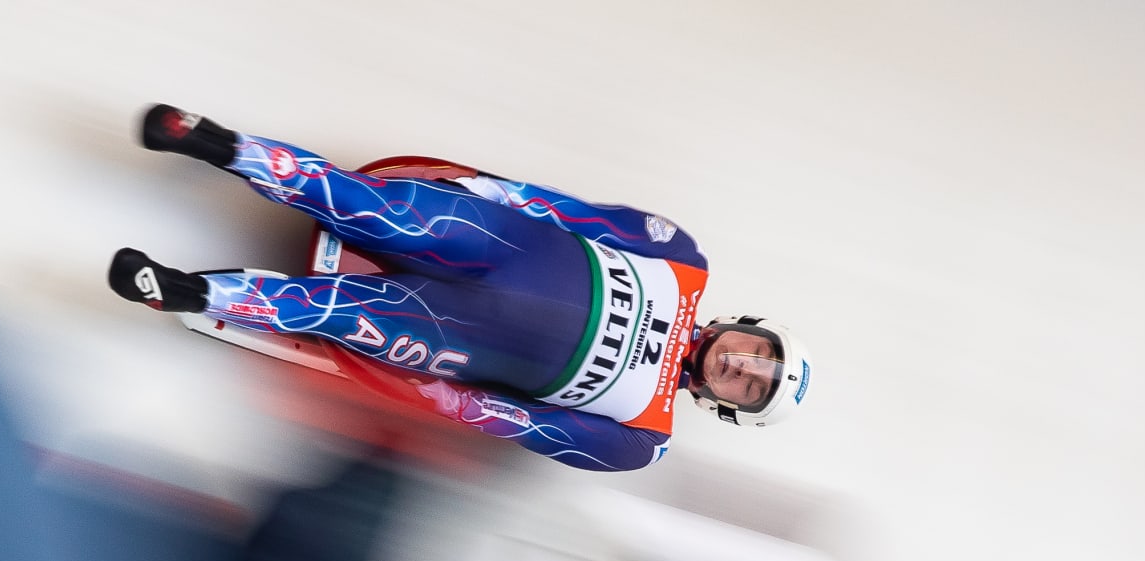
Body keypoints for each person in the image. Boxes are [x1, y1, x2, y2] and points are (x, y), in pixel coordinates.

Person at [110, 105, 813, 472]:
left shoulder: (641, 438)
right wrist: (485, 188)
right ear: (749, 328)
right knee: (359, 202)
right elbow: (571, 212)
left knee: (334, 313)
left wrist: (434, 394)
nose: (742, 365)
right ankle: (210, 142)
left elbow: (521, 423)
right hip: (487, 238)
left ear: (728, 407)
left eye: (752, 386)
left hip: (455, 334)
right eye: (759, 353)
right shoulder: (683, 258)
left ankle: (184, 291)